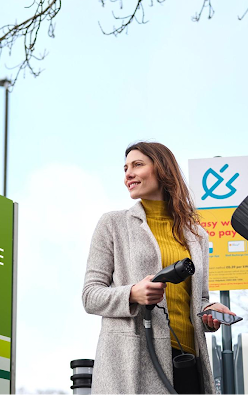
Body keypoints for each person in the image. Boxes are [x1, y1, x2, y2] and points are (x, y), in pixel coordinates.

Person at [82, 141, 236, 395]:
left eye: (137, 165)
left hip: (188, 360)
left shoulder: (196, 234)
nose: (128, 174)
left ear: (162, 170)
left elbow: (200, 298)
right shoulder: (113, 224)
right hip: (135, 361)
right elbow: (90, 296)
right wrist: (132, 293)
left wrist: (210, 312)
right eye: (125, 168)